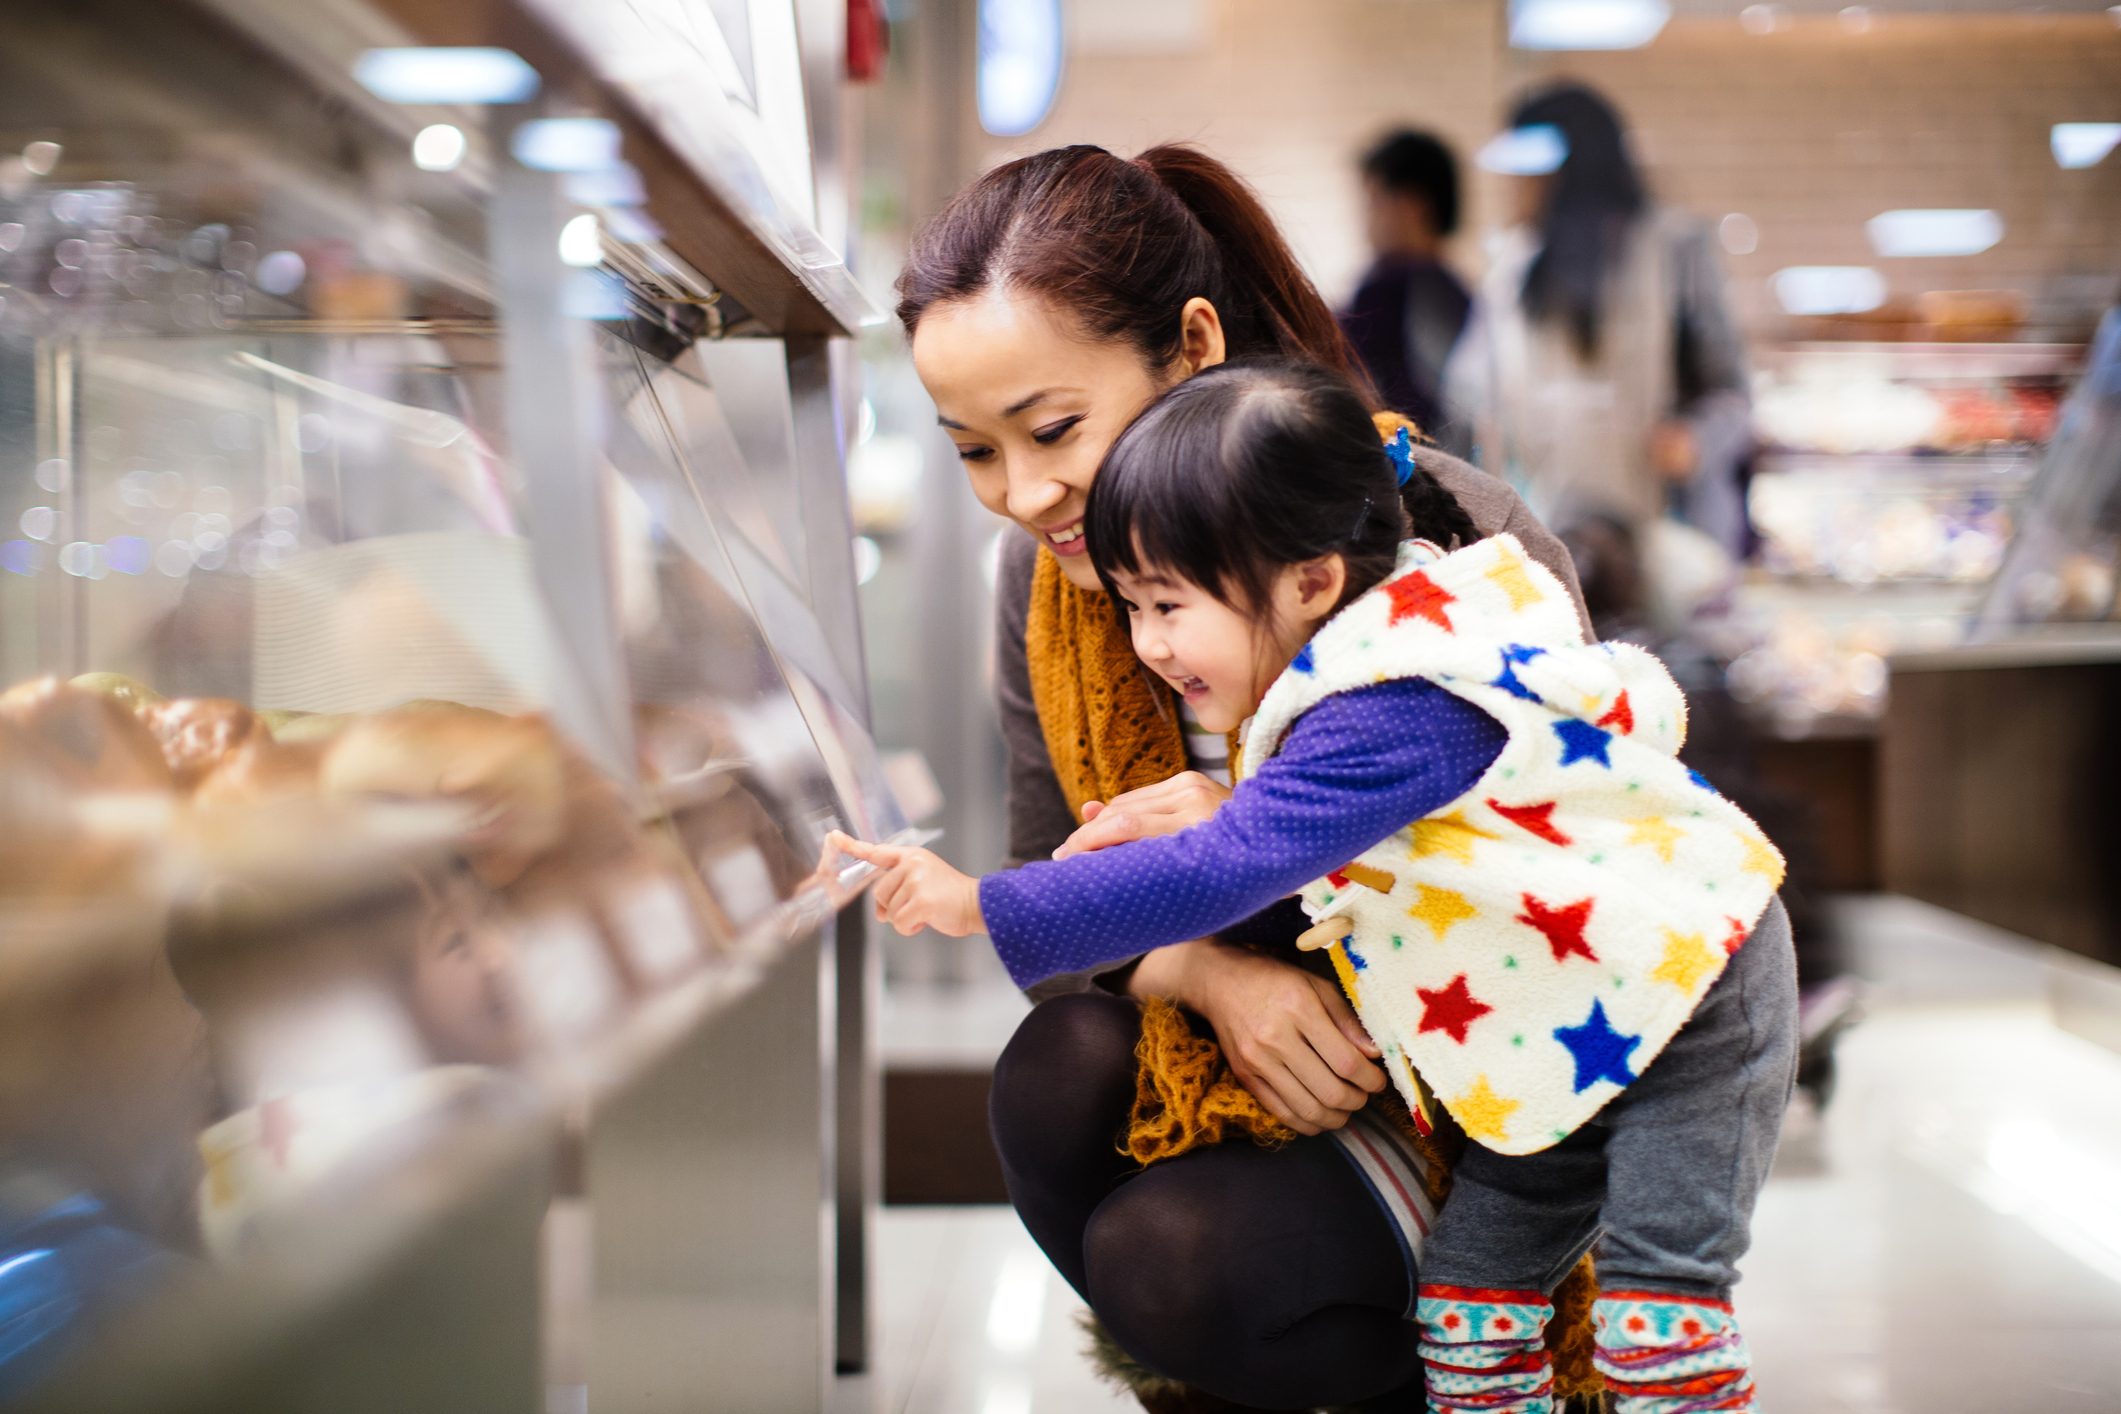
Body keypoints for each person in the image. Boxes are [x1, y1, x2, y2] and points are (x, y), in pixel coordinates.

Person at [838, 360, 1798, 1414]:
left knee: (1658, 1323)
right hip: (1561, 1015)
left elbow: (1225, 865)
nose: (1150, 644)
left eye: (1168, 604)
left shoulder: (1400, 696)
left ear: (1310, 581)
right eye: (1132, 606)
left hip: (1694, 995)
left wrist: (979, 900)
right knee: (1471, 1312)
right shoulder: (1369, 641)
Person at [894, 142, 1600, 1411]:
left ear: (1195, 343)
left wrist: (1262, 839)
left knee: (1174, 1259)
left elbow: (1593, 886)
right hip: (1240, 1069)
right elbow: (1053, 866)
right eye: (972, 452)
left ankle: (1436, 1376)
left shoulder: (1441, 535)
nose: (1026, 494)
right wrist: (1206, 968)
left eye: (1053, 428)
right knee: (1059, 1068)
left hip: (1470, 1078)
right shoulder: (1049, 585)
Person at [1447, 82, 1755, 557]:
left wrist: (1693, 439)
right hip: (1546, 535)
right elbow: (1468, 399)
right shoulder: (1513, 271)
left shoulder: (1673, 249)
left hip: (1662, 537)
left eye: (1528, 173)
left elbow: (1732, 394)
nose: (1514, 188)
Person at [1339, 130, 1472, 441]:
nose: (1367, 220)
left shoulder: (1389, 288)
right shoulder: (1459, 290)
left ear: (1412, 205)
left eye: (1374, 201)